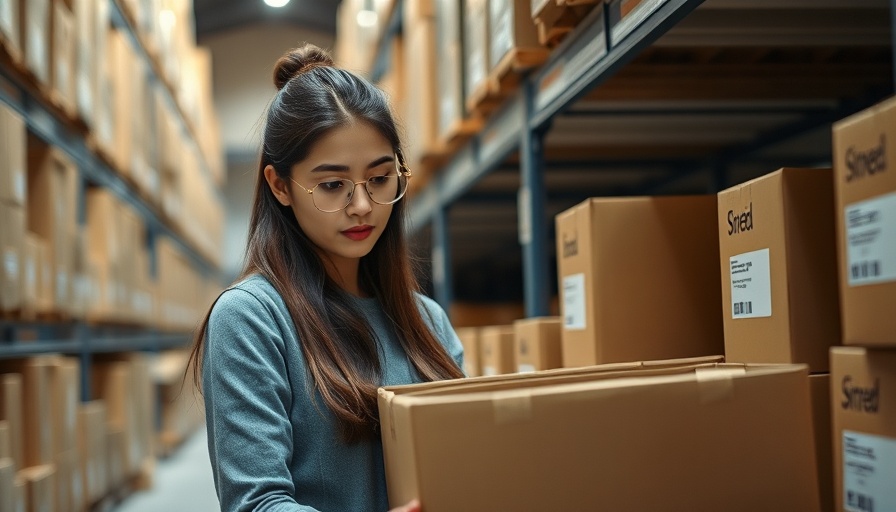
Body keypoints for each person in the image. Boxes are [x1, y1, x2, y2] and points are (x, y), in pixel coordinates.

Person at [187, 43, 465, 512]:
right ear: (280, 186)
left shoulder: (427, 322)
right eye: (333, 185)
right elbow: (257, 503)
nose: (362, 205)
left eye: (379, 179)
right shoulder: (252, 320)